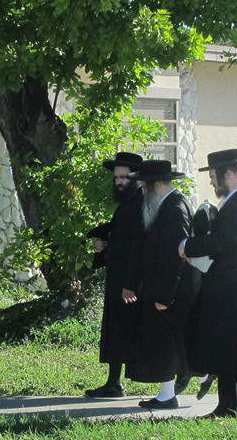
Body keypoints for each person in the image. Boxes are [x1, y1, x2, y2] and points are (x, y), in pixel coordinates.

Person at [180, 149, 237, 417]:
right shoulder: (233, 201)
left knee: (231, 346)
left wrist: (187, 246)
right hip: (223, 284)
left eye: (215, 177)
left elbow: (222, 243)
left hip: (235, 286)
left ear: (228, 174)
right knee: (227, 345)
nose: (213, 183)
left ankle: (231, 403)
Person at [124, 159, 201, 409]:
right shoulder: (167, 205)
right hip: (168, 287)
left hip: (174, 289)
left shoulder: (174, 209)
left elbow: (175, 257)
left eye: (145, 186)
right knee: (170, 342)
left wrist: (164, 295)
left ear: (157, 184)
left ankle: (172, 393)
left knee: (169, 342)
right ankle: (171, 391)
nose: (142, 191)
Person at [84, 151, 144, 399]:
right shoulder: (127, 205)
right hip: (119, 276)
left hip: (131, 279)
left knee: (130, 330)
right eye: (117, 177)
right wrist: (103, 245)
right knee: (117, 329)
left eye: (124, 177)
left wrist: (130, 283)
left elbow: (137, 245)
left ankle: (173, 380)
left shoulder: (141, 204)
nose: (118, 182)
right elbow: (119, 238)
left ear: (136, 179)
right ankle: (113, 382)